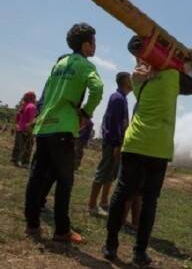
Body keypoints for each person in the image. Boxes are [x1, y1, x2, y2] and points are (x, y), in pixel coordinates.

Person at [102, 48, 192, 266]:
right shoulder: (173, 76)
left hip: (135, 143)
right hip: (158, 148)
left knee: (121, 194)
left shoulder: (137, 76)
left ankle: (110, 246)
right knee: (149, 200)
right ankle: (139, 252)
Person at [24, 23, 103, 244]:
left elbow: (47, 91)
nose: (95, 46)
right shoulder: (86, 65)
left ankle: (32, 225)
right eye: (94, 42)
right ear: (86, 45)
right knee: (65, 181)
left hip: (44, 126)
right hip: (64, 127)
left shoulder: (59, 64)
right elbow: (97, 88)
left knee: (37, 177)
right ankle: (61, 231)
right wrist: (86, 114)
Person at [88, 72, 132, 216]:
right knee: (103, 172)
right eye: (130, 79)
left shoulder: (122, 98)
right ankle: (92, 205)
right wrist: (117, 144)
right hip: (113, 143)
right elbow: (114, 124)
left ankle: (104, 202)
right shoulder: (118, 98)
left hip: (116, 142)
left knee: (111, 174)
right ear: (125, 81)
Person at [11, 92, 37, 167]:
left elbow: (17, 117)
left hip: (20, 128)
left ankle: (14, 159)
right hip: (27, 129)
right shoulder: (32, 106)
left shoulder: (23, 106)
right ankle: (25, 163)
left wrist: (17, 125)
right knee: (28, 146)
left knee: (19, 145)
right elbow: (31, 120)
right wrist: (31, 130)